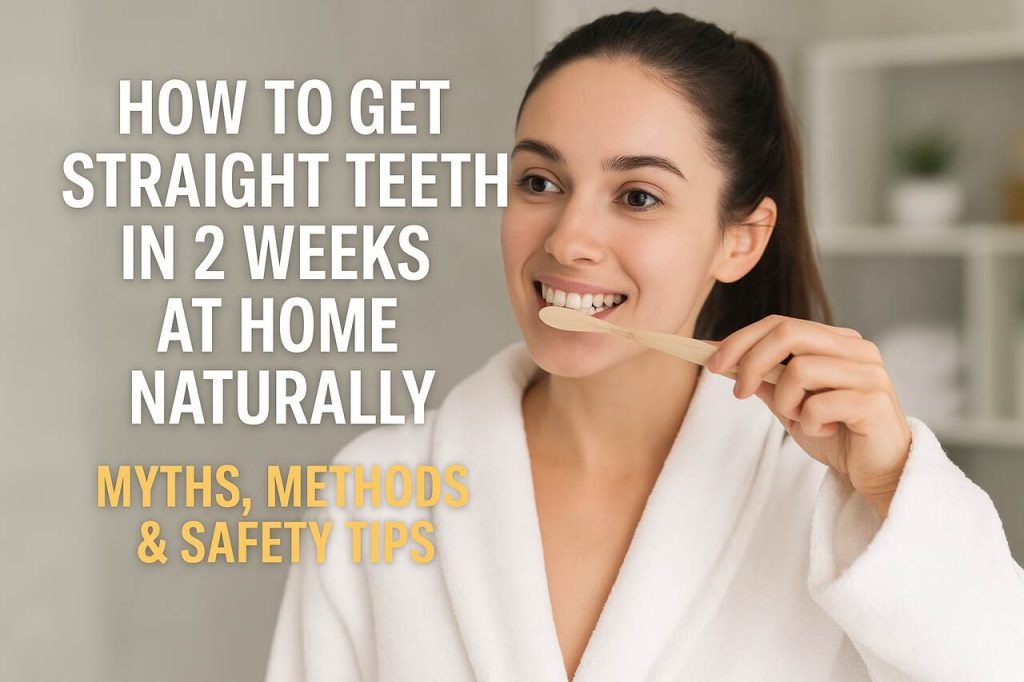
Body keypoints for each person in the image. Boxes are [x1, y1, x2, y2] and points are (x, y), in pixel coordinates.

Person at [265, 9, 1024, 681]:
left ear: (741, 239)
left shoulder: (831, 500)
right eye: (538, 182)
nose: (568, 240)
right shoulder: (377, 487)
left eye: (637, 197)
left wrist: (893, 489)